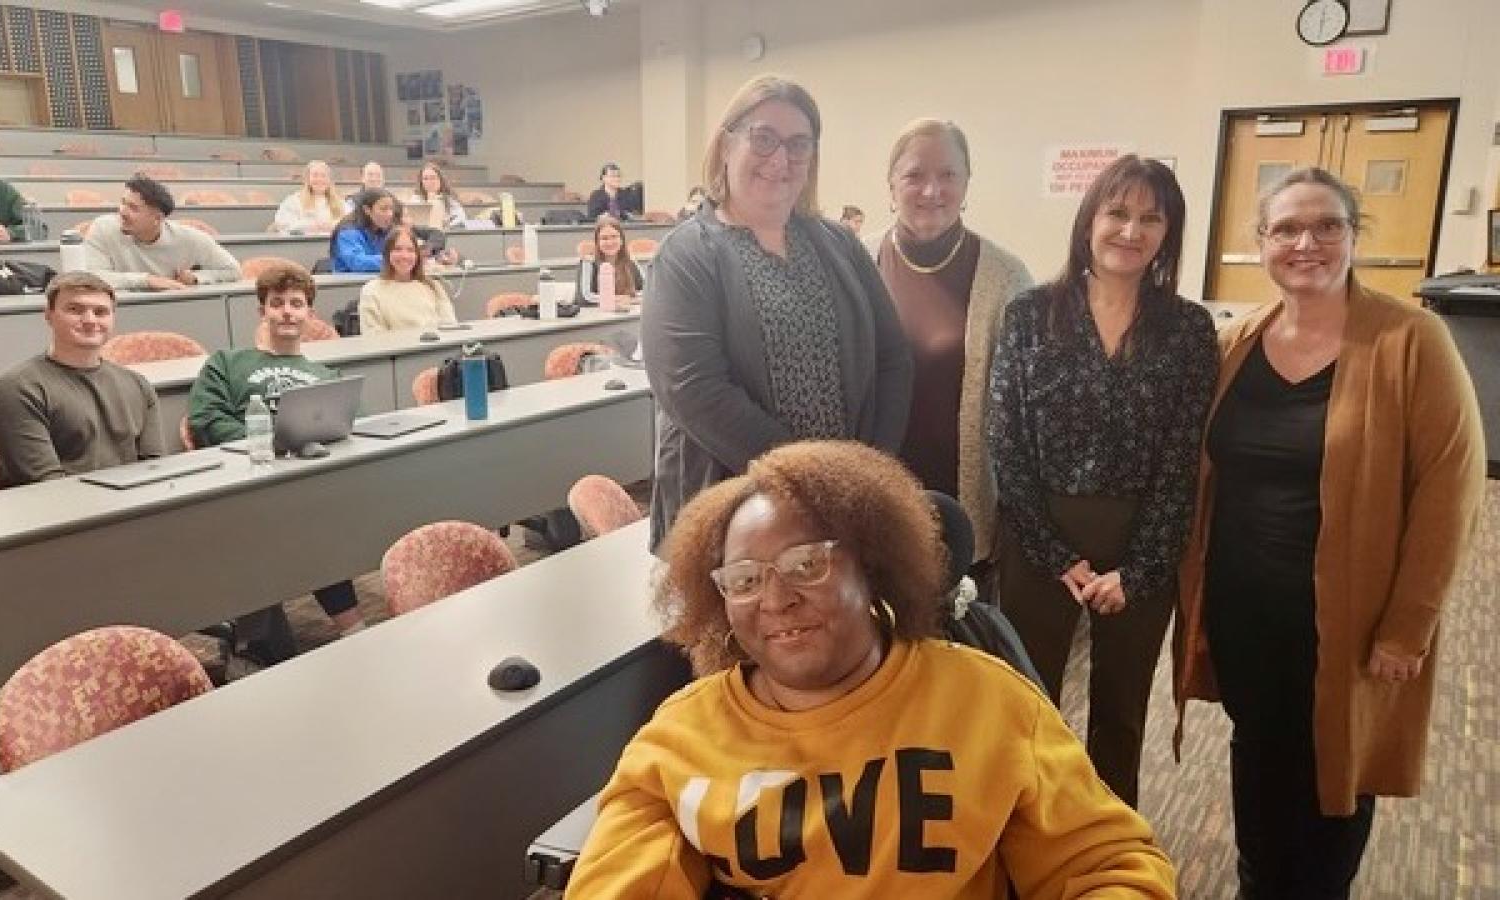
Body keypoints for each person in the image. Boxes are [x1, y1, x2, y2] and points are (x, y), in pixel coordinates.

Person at [568, 440, 1176, 898]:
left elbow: (1110, 866)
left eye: (807, 565)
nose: (775, 599)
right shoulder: (681, 737)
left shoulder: (987, 702)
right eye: (746, 581)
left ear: (872, 568)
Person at [1174, 168, 1486, 899]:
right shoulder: (1237, 341)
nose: (1305, 243)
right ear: (1260, 243)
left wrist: (1410, 626)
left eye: (1326, 227)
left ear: (1354, 238)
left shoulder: (1412, 340)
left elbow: (1451, 489)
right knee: (1258, 753)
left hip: (1350, 619)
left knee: (1333, 767)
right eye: (1285, 228)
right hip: (1244, 606)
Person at [985, 154, 1216, 808]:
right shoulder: (1031, 314)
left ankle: (1107, 850)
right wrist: (1057, 556)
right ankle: (1029, 834)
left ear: (1168, 233)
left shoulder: (1189, 329)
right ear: (1090, 220)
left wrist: (1140, 570)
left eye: (1150, 217)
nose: (1131, 230)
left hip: (1143, 540)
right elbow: (1006, 443)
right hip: (1038, 540)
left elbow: (1182, 463)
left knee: (1120, 714)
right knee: (1030, 709)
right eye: (1118, 212)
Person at [642, 74, 912, 549]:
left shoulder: (839, 245)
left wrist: (869, 470)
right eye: (763, 138)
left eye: (798, 145)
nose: (780, 159)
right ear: (727, 145)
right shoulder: (686, 256)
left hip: (842, 507)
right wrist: (814, 479)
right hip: (733, 512)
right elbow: (696, 392)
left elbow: (893, 357)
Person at [871, 119, 1033, 575]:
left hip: (963, 506)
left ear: (966, 183)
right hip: (874, 499)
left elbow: (1023, 413)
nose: (931, 190)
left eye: (948, 175)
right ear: (891, 184)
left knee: (958, 638)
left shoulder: (1005, 277)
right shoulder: (856, 262)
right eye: (914, 175)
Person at [187, 262, 369, 652]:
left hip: (308, 481)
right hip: (245, 480)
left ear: (310, 314)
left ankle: (347, 627)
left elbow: (348, 423)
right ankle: (347, 627)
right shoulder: (227, 363)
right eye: (277, 303)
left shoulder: (323, 371)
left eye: (296, 304)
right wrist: (271, 446)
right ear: (262, 311)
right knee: (300, 520)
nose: (287, 311)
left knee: (311, 514)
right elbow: (205, 420)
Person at [0, 272, 166, 486]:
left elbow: (155, 469)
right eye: (75, 310)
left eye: (100, 312)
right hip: (63, 513)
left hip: (133, 507)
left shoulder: (138, 384)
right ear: (48, 315)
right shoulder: (16, 389)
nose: (90, 320)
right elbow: (47, 485)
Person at [83, 174, 241, 292]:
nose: (122, 212)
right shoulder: (102, 228)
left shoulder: (190, 238)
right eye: (123, 202)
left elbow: (233, 270)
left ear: (157, 219)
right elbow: (91, 277)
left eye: (133, 208)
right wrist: (147, 280)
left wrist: (196, 278)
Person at [358, 226, 457, 333]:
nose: (404, 256)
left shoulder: (433, 287)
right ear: (387, 254)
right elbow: (373, 337)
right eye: (397, 249)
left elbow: (450, 328)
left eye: (410, 250)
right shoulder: (371, 291)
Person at [329, 188, 401, 274]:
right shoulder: (348, 231)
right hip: (349, 283)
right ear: (367, 210)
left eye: (391, 209)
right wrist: (395, 259)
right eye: (383, 209)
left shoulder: (389, 229)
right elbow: (357, 263)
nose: (390, 214)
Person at [578, 215, 645, 304]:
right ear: (597, 242)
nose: (610, 242)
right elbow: (585, 297)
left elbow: (648, 291)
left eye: (614, 237)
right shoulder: (588, 262)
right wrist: (616, 300)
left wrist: (629, 299)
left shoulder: (631, 262)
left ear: (621, 240)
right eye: (604, 238)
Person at [272, 160, 346, 235]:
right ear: (307, 179)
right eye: (315, 175)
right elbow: (282, 223)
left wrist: (333, 225)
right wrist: (311, 226)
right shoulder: (294, 201)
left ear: (329, 180)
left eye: (323, 176)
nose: (319, 179)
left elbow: (350, 224)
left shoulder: (341, 202)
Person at [405, 161, 467, 231]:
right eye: (425, 179)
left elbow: (460, 221)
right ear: (421, 182)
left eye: (433, 178)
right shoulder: (415, 200)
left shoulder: (450, 201)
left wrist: (446, 226)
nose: (429, 182)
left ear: (440, 180)